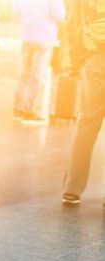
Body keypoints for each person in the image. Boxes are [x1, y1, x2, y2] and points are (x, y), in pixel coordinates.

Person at [63, 0, 105, 205]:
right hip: (94, 56)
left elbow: (72, 23)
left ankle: (72, 188)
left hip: (94, 57)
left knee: (87, 123)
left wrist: (75, 61)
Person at [13, 0, 66, 124]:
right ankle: (29, 110)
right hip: (44, 37)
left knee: (24, 74)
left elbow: (16, 12)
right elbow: (60, 14)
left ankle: (18, 109)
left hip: (27, 35)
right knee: (37, 76)